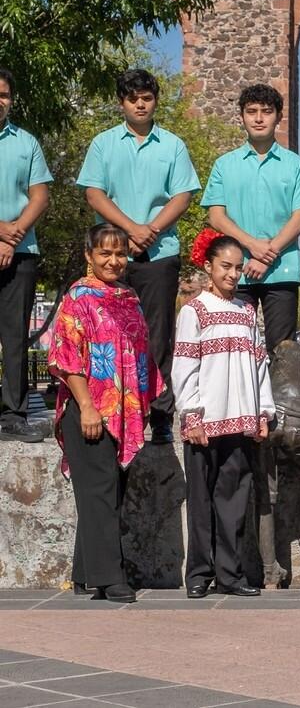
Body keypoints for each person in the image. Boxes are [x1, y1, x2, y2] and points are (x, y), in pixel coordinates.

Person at [77, 68, 200, 444]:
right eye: (133, 98)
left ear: (155, 100)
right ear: (122, 103)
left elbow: (182, 195)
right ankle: (109, 409)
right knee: (105, 337)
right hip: (113, 255)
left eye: (147, 97)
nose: (140, 104)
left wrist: (151, 230)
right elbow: (94, 194)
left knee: (157, 337)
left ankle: (161, 416)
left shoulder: (173, 146)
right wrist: (131, 229)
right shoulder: (103, 144)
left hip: (160, 254)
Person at [48, 224, 160, 603]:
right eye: (105, 254)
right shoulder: (78, 298)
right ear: (89, 256)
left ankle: (84, 573)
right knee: (98, 493)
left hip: (121, 410)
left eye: (120, 253)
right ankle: (109, 577)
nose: (114, 261)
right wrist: (89, 407)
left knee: (107, 492)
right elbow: (68, 359)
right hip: (89, 409)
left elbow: (139, 353)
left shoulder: (128, 297)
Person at [172, 230, 275, 599]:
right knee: (201, 500)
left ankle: (230, 575)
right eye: (225, 267)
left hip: (241, 421)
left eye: (237, 268)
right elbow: (184, 366)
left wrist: (263, 411)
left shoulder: (248, 312)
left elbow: (260, 366)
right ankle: (199, 574)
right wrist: (192, 414)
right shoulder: (194, 310)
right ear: (208, 266)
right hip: (205, 423)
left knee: (234, 501)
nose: (232, 274)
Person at [201, 83, 300, 359]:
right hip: (236, 270)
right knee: (234, 348)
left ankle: (278, 404)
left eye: (266, 112)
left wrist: (267, 254)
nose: (258, 118)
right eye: (251, 111)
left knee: (282, 351)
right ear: (241, 116)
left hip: (282, 270)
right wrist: (252, 246)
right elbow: (216, 215)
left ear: (278, 116)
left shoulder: (296, 165)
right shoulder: (224, 165)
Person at [0, 67, 52, 443]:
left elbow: (40, 195)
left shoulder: (26, 142)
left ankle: (13, 413)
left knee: (16, 334)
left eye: (3, 94)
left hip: (21, 252)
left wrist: (11, 236)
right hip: (9, 238)